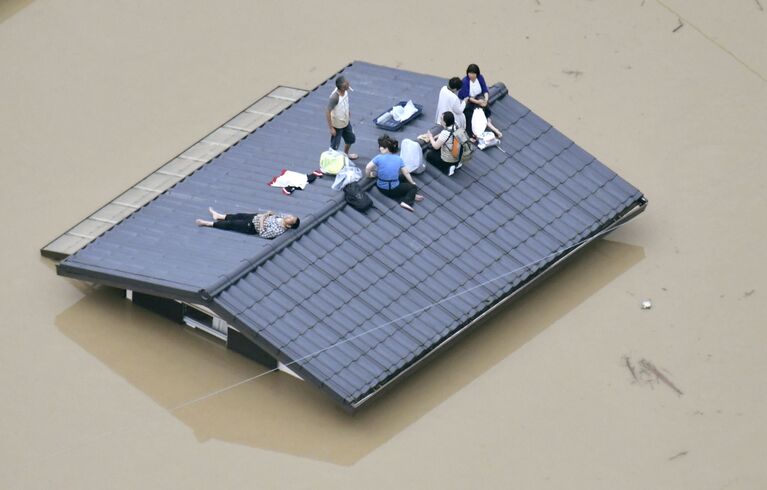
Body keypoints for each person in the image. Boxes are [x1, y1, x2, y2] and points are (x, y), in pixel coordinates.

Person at [365, 135, 424, 212]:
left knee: (402, 178)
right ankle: (407, 201)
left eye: (382, 146)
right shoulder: (398, 159)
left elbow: (367, 168)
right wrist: (412, 183)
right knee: (413, 187)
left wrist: (369, 175)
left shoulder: (378, 157)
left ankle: (411, 195)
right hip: (393, 189)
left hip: (381, 187)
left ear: (387, 149)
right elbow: (406, 172)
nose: (380, 148)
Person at [458, 63, 503, 139]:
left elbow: (485, 90)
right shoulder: (465, 81)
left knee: (483, 105)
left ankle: (487, 120)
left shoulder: (480, 78)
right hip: (468, 100)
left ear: (477, 74)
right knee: (469, 113)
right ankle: (470, 133)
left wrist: (486, 99)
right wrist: (478, 102)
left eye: (473, 73)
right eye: (470, 73)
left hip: (478, 96)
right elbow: (467, 97)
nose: (471, 75)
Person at [196, 207, 300, 238]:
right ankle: (219, 216)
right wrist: (270, 213)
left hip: (253, 227)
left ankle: (208, 223)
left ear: (288, 225)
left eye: (290, 218)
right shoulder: (282, 217)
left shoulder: (278, 230)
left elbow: (263, 233)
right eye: (290, 216)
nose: (288, 216)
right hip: (256, 217)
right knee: (238, 215)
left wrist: (263, 218)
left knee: (232, 224)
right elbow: (275, 213)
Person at [425, 111, 470, 177]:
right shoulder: (456, 125)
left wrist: (430, 136)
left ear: (445, 122)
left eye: (441, 118)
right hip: (459, 154)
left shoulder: (445, 133)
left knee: (429, 155)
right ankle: (457, 163)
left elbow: (435, 146)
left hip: (448, 159)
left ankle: (448, 168)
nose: (440, 119)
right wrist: (438, 136)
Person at [326, 76, 358, 160]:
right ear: (342, 87)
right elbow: (327, 112)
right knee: (334, 146)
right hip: (337, 125)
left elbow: (345, 102)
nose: (349, 85)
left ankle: (346, 154)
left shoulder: (346, 91)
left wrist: (348, 111)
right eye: (347, 84)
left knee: (351, 139)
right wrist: (331, 128)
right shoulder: (334, 98)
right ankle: (331, 162)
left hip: (346, 122)